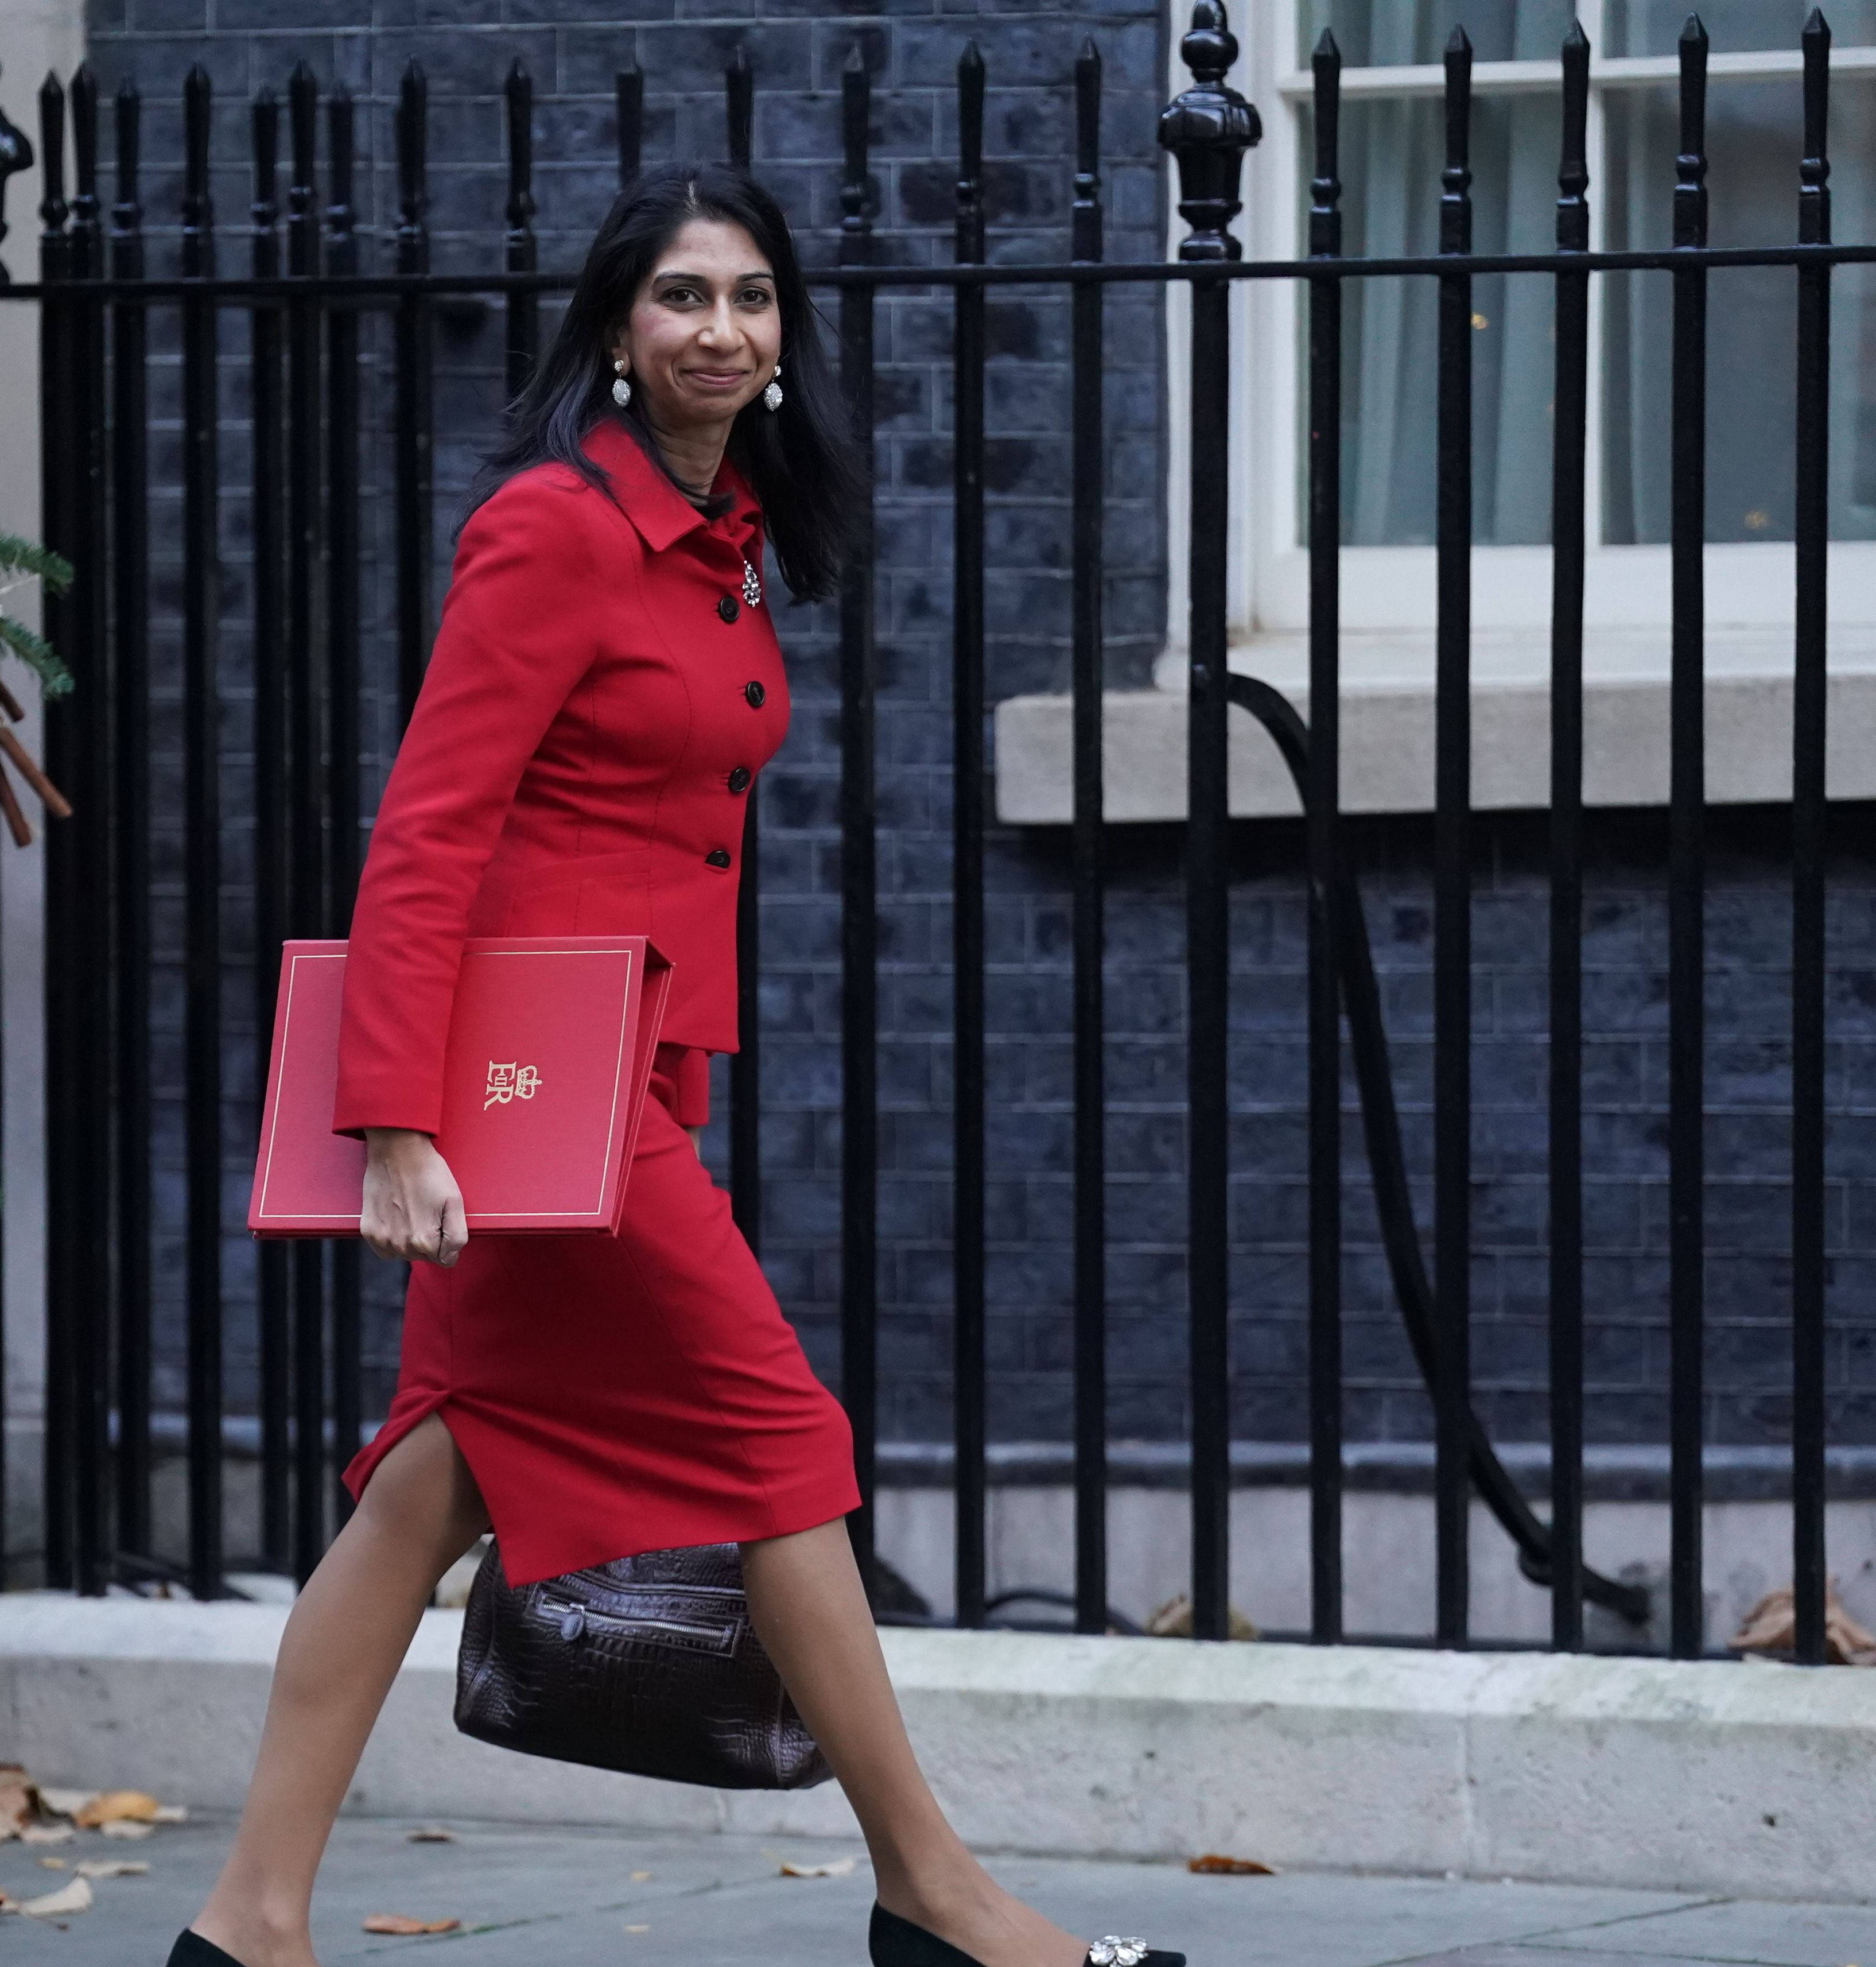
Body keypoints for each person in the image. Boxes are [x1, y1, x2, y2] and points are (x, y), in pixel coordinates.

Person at [165, 164, 1183, 1967]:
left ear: (784, 337)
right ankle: (934, 1894)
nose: (722, 328)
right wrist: (393, 1116)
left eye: (752, 299)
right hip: (521, 1101)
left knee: (432, 1478)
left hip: (615, 1078)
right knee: (785, 1437)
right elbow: (427, 827)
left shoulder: (715, 549)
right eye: (682, 298)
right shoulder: (555, 530)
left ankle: (248, 1926)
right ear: (617, 335)